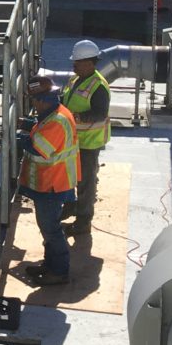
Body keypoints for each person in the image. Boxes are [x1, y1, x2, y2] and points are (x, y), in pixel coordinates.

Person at [17, 76, 81, 286]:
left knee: (51, 229)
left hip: (53, 184)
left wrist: (17, 138)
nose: (33, 104)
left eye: (34, 100)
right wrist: (25, 125)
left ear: (41, 100)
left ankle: (59, 271)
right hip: (52, 182)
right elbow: (40, 127)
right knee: (48, 227)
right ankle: (50, 264)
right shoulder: (54, 113)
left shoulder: (56, 121)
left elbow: (39, 148)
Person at [61, 39, 111, 236]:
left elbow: (100, 113)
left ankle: (83, 222)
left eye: (77, 62)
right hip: (73, 141)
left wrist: (77, 117)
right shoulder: (75, 79)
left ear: (90, 63)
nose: (73, 64)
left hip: (89, 144)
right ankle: (72, 206)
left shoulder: (98, 86)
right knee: (70, 177)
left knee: (86, 184)